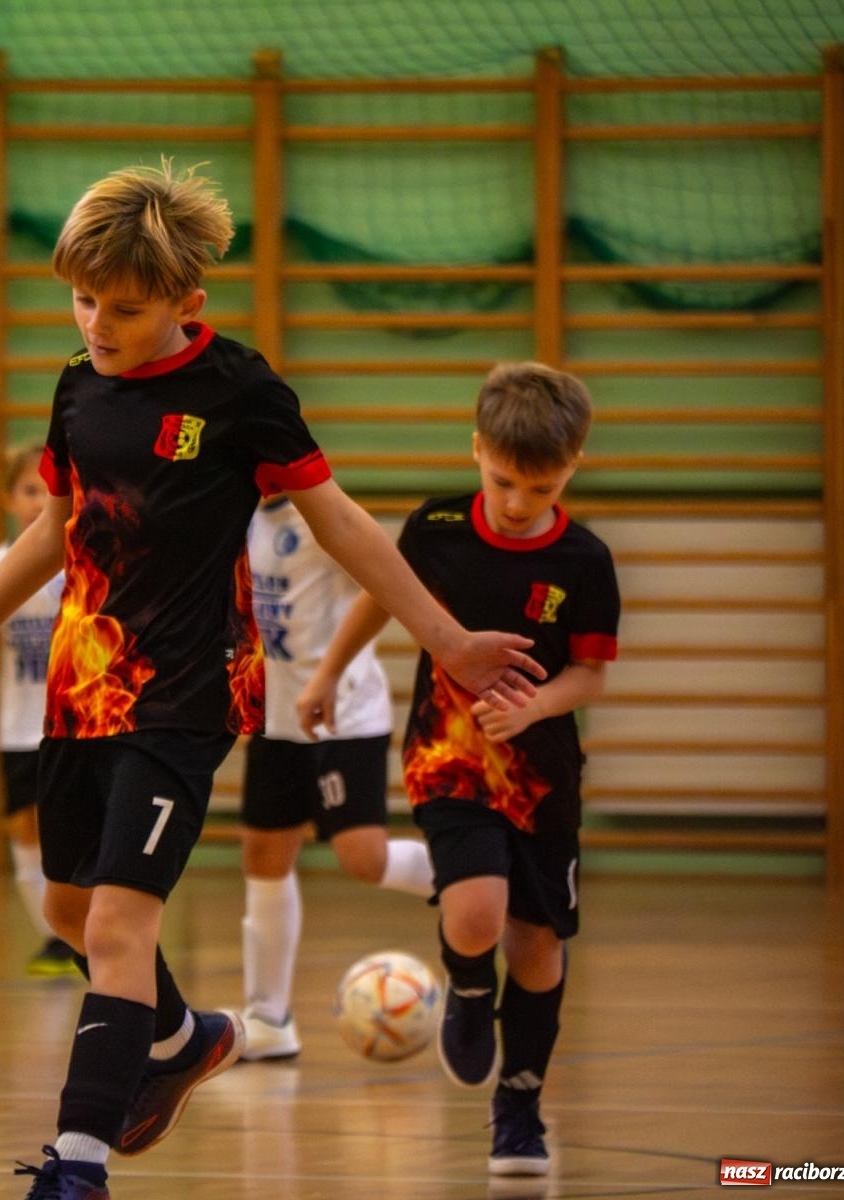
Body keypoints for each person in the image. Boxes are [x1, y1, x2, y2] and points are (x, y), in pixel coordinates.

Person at [0, 160, 546, 1200]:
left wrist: (447, 638)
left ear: (185, 304)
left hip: (190, 693)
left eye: (124, 308)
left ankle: (76, 1166)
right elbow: (57, 528)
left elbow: (340, 523)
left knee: (117, 925)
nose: (98, 323)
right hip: (82, 687)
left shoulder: (239, 391)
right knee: (70, 910)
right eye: (82, 300)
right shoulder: (79, 386)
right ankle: (179, 1036)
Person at [295, 361, 619, 1178]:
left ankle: (518, 1106)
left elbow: (589, 675)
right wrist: (329, 672)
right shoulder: (436, 526)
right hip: (449, 758)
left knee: (538, 951)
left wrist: (535, 710)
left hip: (543, 774)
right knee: (477, 916)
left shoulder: (585, 561)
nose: (517, 503)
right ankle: (468, 989)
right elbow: (381, 596)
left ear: (572, 467)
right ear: (476, 449)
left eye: (539, 488)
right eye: (504, 480)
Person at [233, 495, 433, 1061]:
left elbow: (386, 583)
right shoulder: (237, 515)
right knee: (264, 853)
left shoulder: (323, 514)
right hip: (275, 716)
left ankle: (474, 880)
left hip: (341, 715)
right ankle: (269, 1016)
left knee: (361, 858)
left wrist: (327, 670)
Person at [0, 443, 75, 977]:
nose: (39, 501)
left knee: (69, 829)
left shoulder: (84, 557)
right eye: (29, 490)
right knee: (22, 828)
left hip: (75, 724)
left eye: (50, 491)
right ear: (8, 499)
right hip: (18, 726)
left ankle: (79, 925)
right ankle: (54, 938)